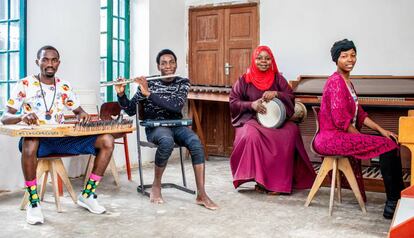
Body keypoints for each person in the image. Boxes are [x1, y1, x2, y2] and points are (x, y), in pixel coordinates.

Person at [1, 45, 115, 225]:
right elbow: (5, 117)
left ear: (58, 63)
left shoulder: (64, 86)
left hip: (62, 140)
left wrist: (82, 115)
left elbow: (79, 111)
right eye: (45, 59)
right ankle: (34, 202)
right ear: (37, 62)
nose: (49, 64)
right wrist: (22, 116)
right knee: (30, 142)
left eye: (54, 60)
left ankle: (87, 195)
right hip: (37, 142)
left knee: (107, 140)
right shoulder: (25, 84)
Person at [116, 49, 218, 210]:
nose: (168, 66)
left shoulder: (182, 83)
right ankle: (156, 186)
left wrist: (149, 94)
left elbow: (175, 105)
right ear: (158, 66)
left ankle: (202, 194)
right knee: (166, 141)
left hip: (176, 125)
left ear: (176, 65)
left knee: (195, 142)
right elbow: (129, 109)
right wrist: (121, 94)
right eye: (164, 63)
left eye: (171, 62)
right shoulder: (148, 82)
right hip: (156, 127)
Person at [314, 39, 405, 219]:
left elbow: (360, 114)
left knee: (391, 141)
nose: (350, 59)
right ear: (336, 59)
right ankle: (392, 204)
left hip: (341, 134)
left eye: (353, 55)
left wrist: (381, 130)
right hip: (331, 139)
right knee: (386, 147)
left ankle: (399, 197)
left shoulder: (348, 83)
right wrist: (363, 138)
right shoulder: (336, 82)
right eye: (344, 56)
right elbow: (342, 121)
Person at [229, 45, 316, 195]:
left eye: (267, 58)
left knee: (291, 131)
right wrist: (252, 105)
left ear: (272, 60)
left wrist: (277, 93)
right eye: (259, 58)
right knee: (251, 135)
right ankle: (261, 180)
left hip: (278, 122)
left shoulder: (278, 79)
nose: (264, 61)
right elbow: (233, 102)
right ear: (253, 60)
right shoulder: (244, 80)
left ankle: (280, 182)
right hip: (252, 121)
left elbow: (290, 98)